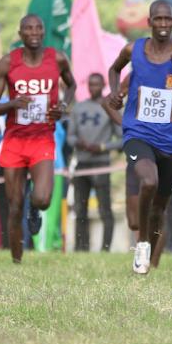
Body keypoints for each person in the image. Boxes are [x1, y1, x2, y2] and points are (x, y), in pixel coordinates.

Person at [108, 0, 172, 275]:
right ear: (149, 22)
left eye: (168, 19)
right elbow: (114, 69)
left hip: (169, 140)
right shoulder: (133, 49)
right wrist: (115, 91)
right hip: (138, 133)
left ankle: (150, 259)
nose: (163, 24)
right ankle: (142, 244)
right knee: (148, 180)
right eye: (158, 19)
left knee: (159, 208)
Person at [0, 14, 76, 264]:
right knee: (14, 205)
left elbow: (72, 86)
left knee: (43, 199)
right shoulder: (7, 63)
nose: (34, 33)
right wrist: (13, 103)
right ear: (20, 34)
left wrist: (63, 107)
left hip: (42, 138)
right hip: (14, 141)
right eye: (28, 29)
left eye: (38, 28)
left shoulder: (57, 59)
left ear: (43, 32)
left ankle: (34, 208)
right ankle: (17, 260)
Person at [67, 72, 122, 252]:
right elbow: (70, 137)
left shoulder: (110, 108)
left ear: (103, 85)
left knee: (104, 208)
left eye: (97, 84)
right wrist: (79, 143)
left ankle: (105, 248)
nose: (93, 88)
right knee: (80, 208)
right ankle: (81, 247)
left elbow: (122, 139)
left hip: (101, 164)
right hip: (82, 164)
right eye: (91, 84)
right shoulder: (79, 108)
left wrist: (102, 147)